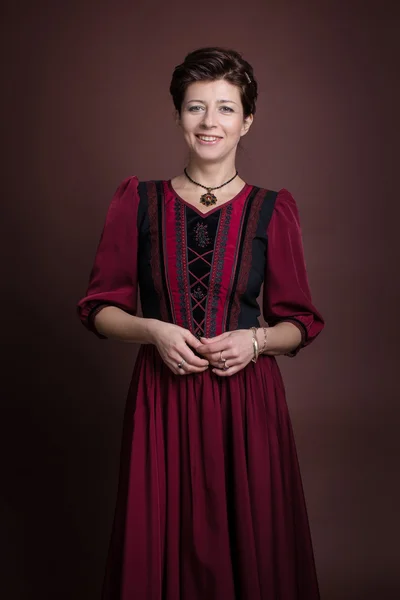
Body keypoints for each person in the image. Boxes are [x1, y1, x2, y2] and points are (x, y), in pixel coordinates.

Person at [77, 46, 324, 600]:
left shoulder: (271, 208)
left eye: (225, 108)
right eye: (195, 107)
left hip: (247, 401)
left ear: (247, 121)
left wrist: (256, 341)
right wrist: (154, 330)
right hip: (162, 398)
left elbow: (300, 323)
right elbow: (99, 308)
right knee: (159, 546)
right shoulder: (137, 201)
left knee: (252, 551)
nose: (210, 122)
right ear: (177, 116)